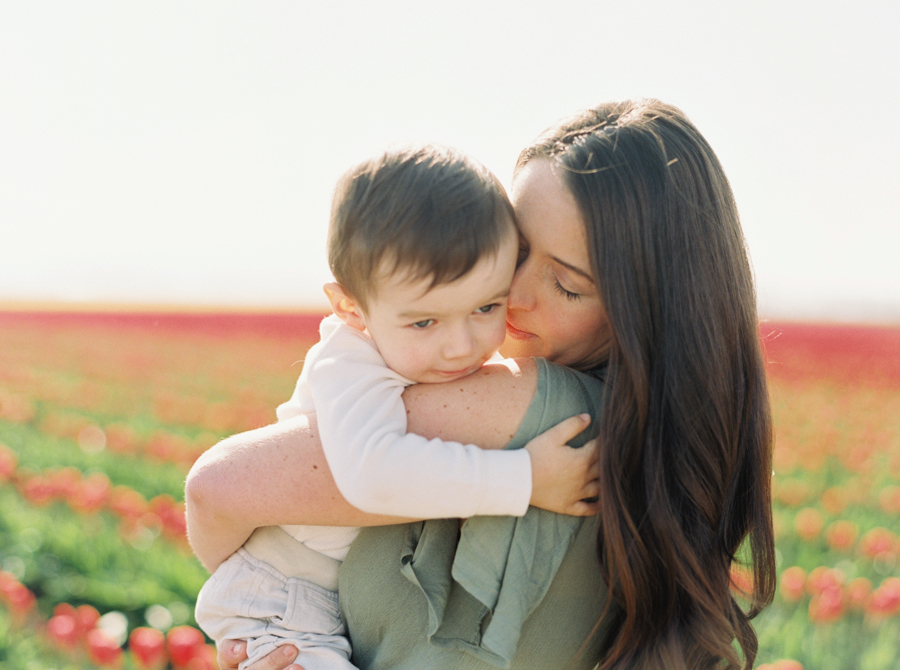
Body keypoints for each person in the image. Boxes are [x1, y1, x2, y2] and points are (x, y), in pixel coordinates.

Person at [186, 99, 776, 670]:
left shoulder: (527, 406)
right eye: (512, 252)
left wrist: (258, 602)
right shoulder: (664, 447)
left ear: (651, 306)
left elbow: (214, 489)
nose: (511, 296)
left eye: (567, 285)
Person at [192, 143, 599, 670]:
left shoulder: (436, 351)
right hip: (283, 596)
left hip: (315, 593)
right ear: (351, 309)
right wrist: (524, 478)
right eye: (425, 322)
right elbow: (373, 473)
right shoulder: (348, 362)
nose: (462, 346)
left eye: (485, 305)